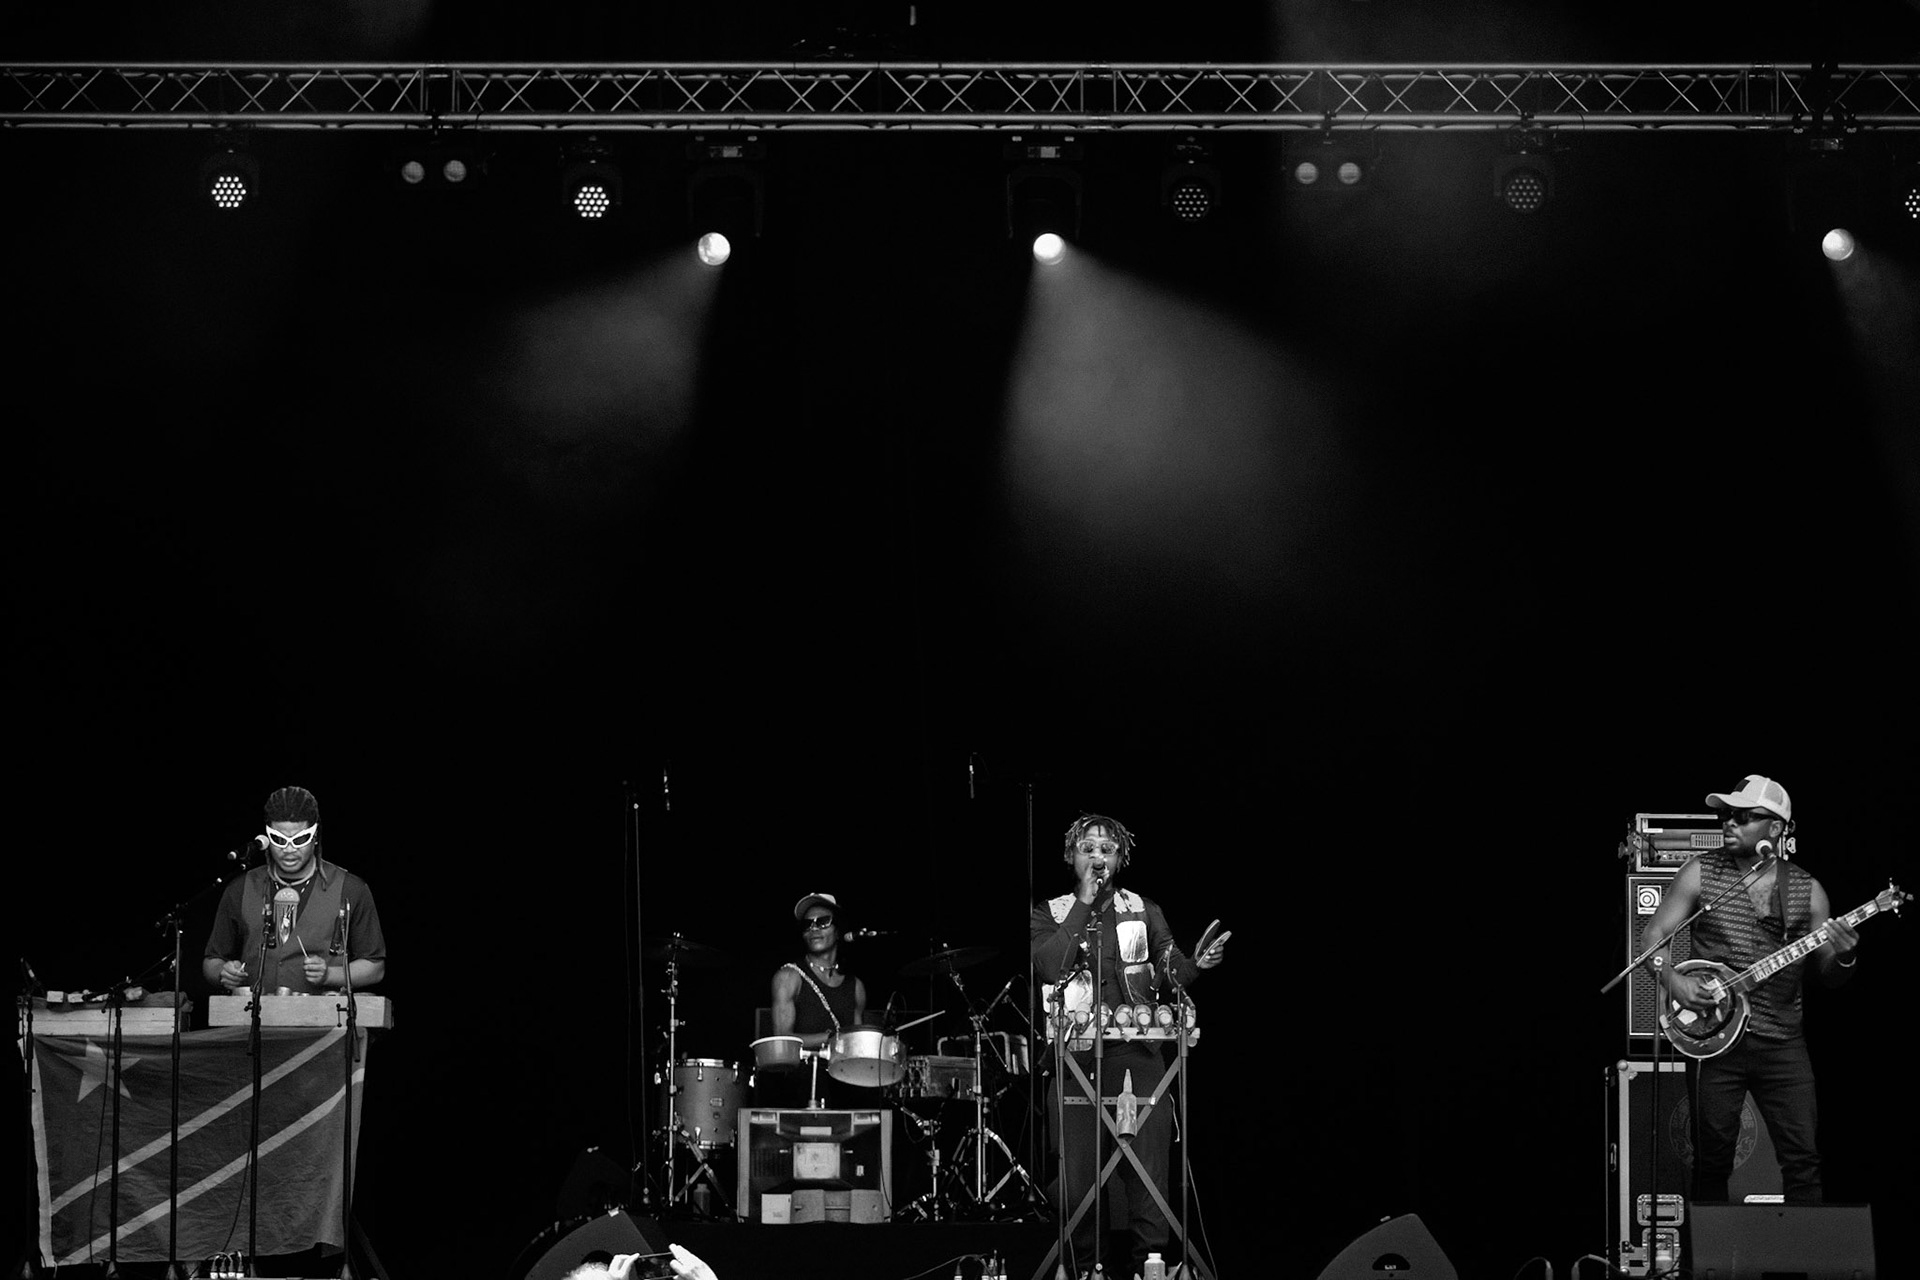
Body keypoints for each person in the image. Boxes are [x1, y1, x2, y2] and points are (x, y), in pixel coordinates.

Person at [1638, 774, 1857, 1204]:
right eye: (1726, 815)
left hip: (1782, 1042)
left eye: (1744, 817)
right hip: (1715, 1038)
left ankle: (1802, 1246)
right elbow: (1653, 937)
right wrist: (1674, 980)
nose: (1729, 823)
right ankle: (1710, 1250)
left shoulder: (1808, 890)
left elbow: (1830, 975)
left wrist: (1845, 956)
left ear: (1775, 828)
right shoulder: (1700, 872)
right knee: (1712, 1160)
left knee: (1803, 1160)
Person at [1030, 814, 1228, 1280]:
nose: (1098, 856)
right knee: (1078, 1179)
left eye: (1107, 849)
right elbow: (1050, 967)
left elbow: (1169, 969)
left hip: (1138, 1054)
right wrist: (1084, 901)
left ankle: (1148, 1266)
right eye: (1088, 848)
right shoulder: (1050, 912)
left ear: (1120, 859)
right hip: (1076, 1056)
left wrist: (1194, 965)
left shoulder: (1143, 908)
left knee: (1147, 1171)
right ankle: (1086, 1268)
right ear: (1071, 856)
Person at [203, 785, 387, 997]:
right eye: (279, 840)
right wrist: (223, 972)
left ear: (315, 836)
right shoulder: (240, 888)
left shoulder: (351, 889)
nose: (289, 849)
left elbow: (375, 967)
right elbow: (211, 961)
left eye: (300, 840)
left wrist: (330, 975)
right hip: (252, 1014)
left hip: (323, 1015)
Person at [765, 892, 867, 1106]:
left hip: (844, 1086)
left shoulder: (856, 986)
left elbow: (856, 1052)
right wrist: (830, 1037)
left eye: (823, 922)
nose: (814, 928)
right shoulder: (788, 977)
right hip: (801, 1087)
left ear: (838, 930)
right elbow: (782, 1041)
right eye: (807, 925)